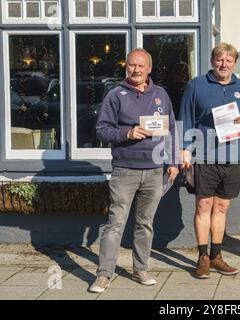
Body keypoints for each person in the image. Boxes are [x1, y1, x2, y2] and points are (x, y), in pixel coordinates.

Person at [89, 48, 179, 293]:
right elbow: (102, 130)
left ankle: (140, 269)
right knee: (115, 224)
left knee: (145, 224)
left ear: (149, 68)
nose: (136, 70)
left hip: (153, 171)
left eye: (140, 66)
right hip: (125, 170)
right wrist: (126, 133)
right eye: (131, 65)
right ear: (126, 67)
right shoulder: (115, 95)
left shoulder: (160, 94)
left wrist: (173, 162)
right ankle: (103, 274)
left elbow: (171, 130)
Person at [179, 43, 240, 279]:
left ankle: (217, 256)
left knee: (222, 207)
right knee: (203, 206)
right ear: (212, 61)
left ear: (234, 63)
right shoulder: (197, 85)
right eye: (219, 60)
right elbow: (185, 117)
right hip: (204, 156)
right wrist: (185, 148)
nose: (223, 64)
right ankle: (203, 257)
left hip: (231, 157)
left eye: (228, 60)